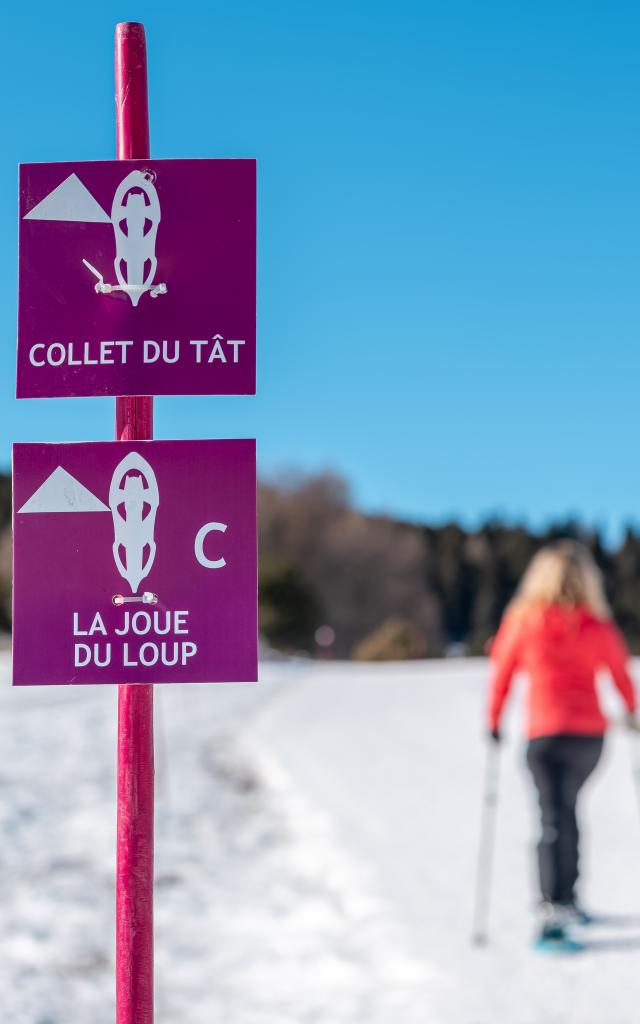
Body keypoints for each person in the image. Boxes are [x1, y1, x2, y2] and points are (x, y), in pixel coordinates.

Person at [487, 540, 638, 949]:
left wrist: (494, 720)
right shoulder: (596, 625)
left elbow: (502, 671)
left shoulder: (524, 621)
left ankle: (555, 911)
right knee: (567, 812)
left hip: (547, 735)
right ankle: (567, 898)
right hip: (590, 738)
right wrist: (631, 709)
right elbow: (621, 675)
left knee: (554, 817)